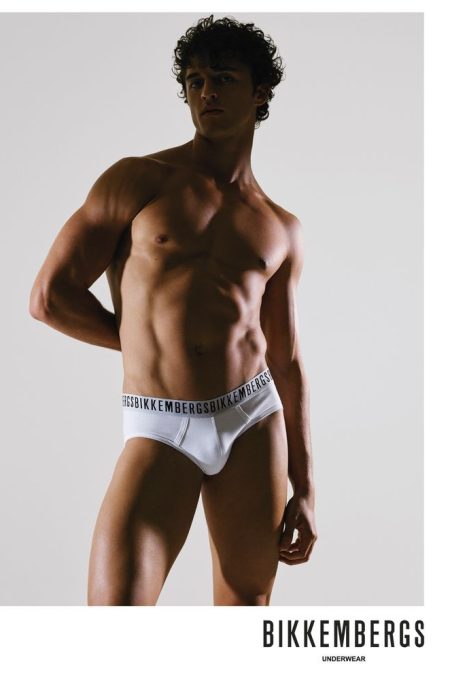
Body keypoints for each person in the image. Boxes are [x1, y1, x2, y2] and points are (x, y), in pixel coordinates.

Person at [29, 15, 317, 606]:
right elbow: (50, 297)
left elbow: (286, 361)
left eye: (224, 79)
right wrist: (144, 339)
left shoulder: (280, 227)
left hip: (252, 418)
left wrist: (307, 488)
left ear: (260, 93)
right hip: (161, 421)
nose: (206, 92)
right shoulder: (139, 180)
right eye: (195, 80)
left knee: (245, 613)